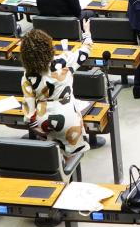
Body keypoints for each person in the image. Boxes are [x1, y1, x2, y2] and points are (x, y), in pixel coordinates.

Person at [20, 26, 92, 163]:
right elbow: (85, 51)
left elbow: (29, 111)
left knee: (53, 159)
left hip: (43, 121)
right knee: (70, 161)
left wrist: (37, 128)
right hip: (68, 118)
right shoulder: (64, 61)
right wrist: (87, 34)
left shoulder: (27, 76)